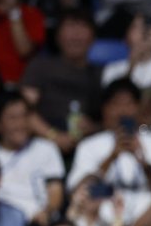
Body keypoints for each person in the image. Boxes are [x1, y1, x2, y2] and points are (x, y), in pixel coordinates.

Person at [66, 79, 151, 213]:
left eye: (129, 104)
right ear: (105, 109)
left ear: (139, 108)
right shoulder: (89, 145)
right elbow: (78, 191)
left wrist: (144, 164)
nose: (123, 111)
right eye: (116, 104)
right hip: (101, 214)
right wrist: (111, 157)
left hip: (147, 215)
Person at [20, 9, 103, 154]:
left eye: (83, 27)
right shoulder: (40, 66)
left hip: (90, 148)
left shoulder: (102, 74)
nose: (76, 35)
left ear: (93, 36)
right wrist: (54, 136)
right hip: (44, 145)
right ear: (57, 35)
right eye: (70, 26)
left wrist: (94, 128)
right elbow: (24, 111)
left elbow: (114, 116)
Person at [0, 95, 66, 226]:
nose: (20, 124)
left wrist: (46, 213)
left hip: (38, 224)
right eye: (12, 118)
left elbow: (55, 192)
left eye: (24, 116)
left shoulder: (46, 148)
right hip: (1, 224)